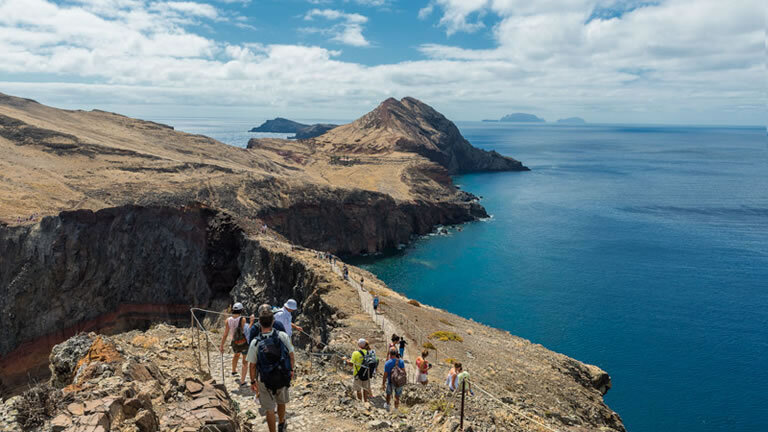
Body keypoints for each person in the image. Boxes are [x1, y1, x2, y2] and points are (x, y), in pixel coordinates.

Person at [247, 307, 295, 432]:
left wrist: (253, 381)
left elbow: (251, 365)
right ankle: (282, 423)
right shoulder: (282, 336)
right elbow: (291, 355)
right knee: (281, 401)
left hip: (264, 379)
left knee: (269, 409)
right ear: (273, 321)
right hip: (282, 374)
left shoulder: (255, 342)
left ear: (260, 323)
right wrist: (291, 370)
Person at [218, 302, 249, 385]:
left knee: (236, 355)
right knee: (245, 361)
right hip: (243, 342)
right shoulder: (243, 319)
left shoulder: (228, 320)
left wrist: (221, 345)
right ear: (241, 310)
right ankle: (242, 381)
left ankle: (233, 370)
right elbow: (245, 331)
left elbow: (225, 334)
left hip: (234, 341)